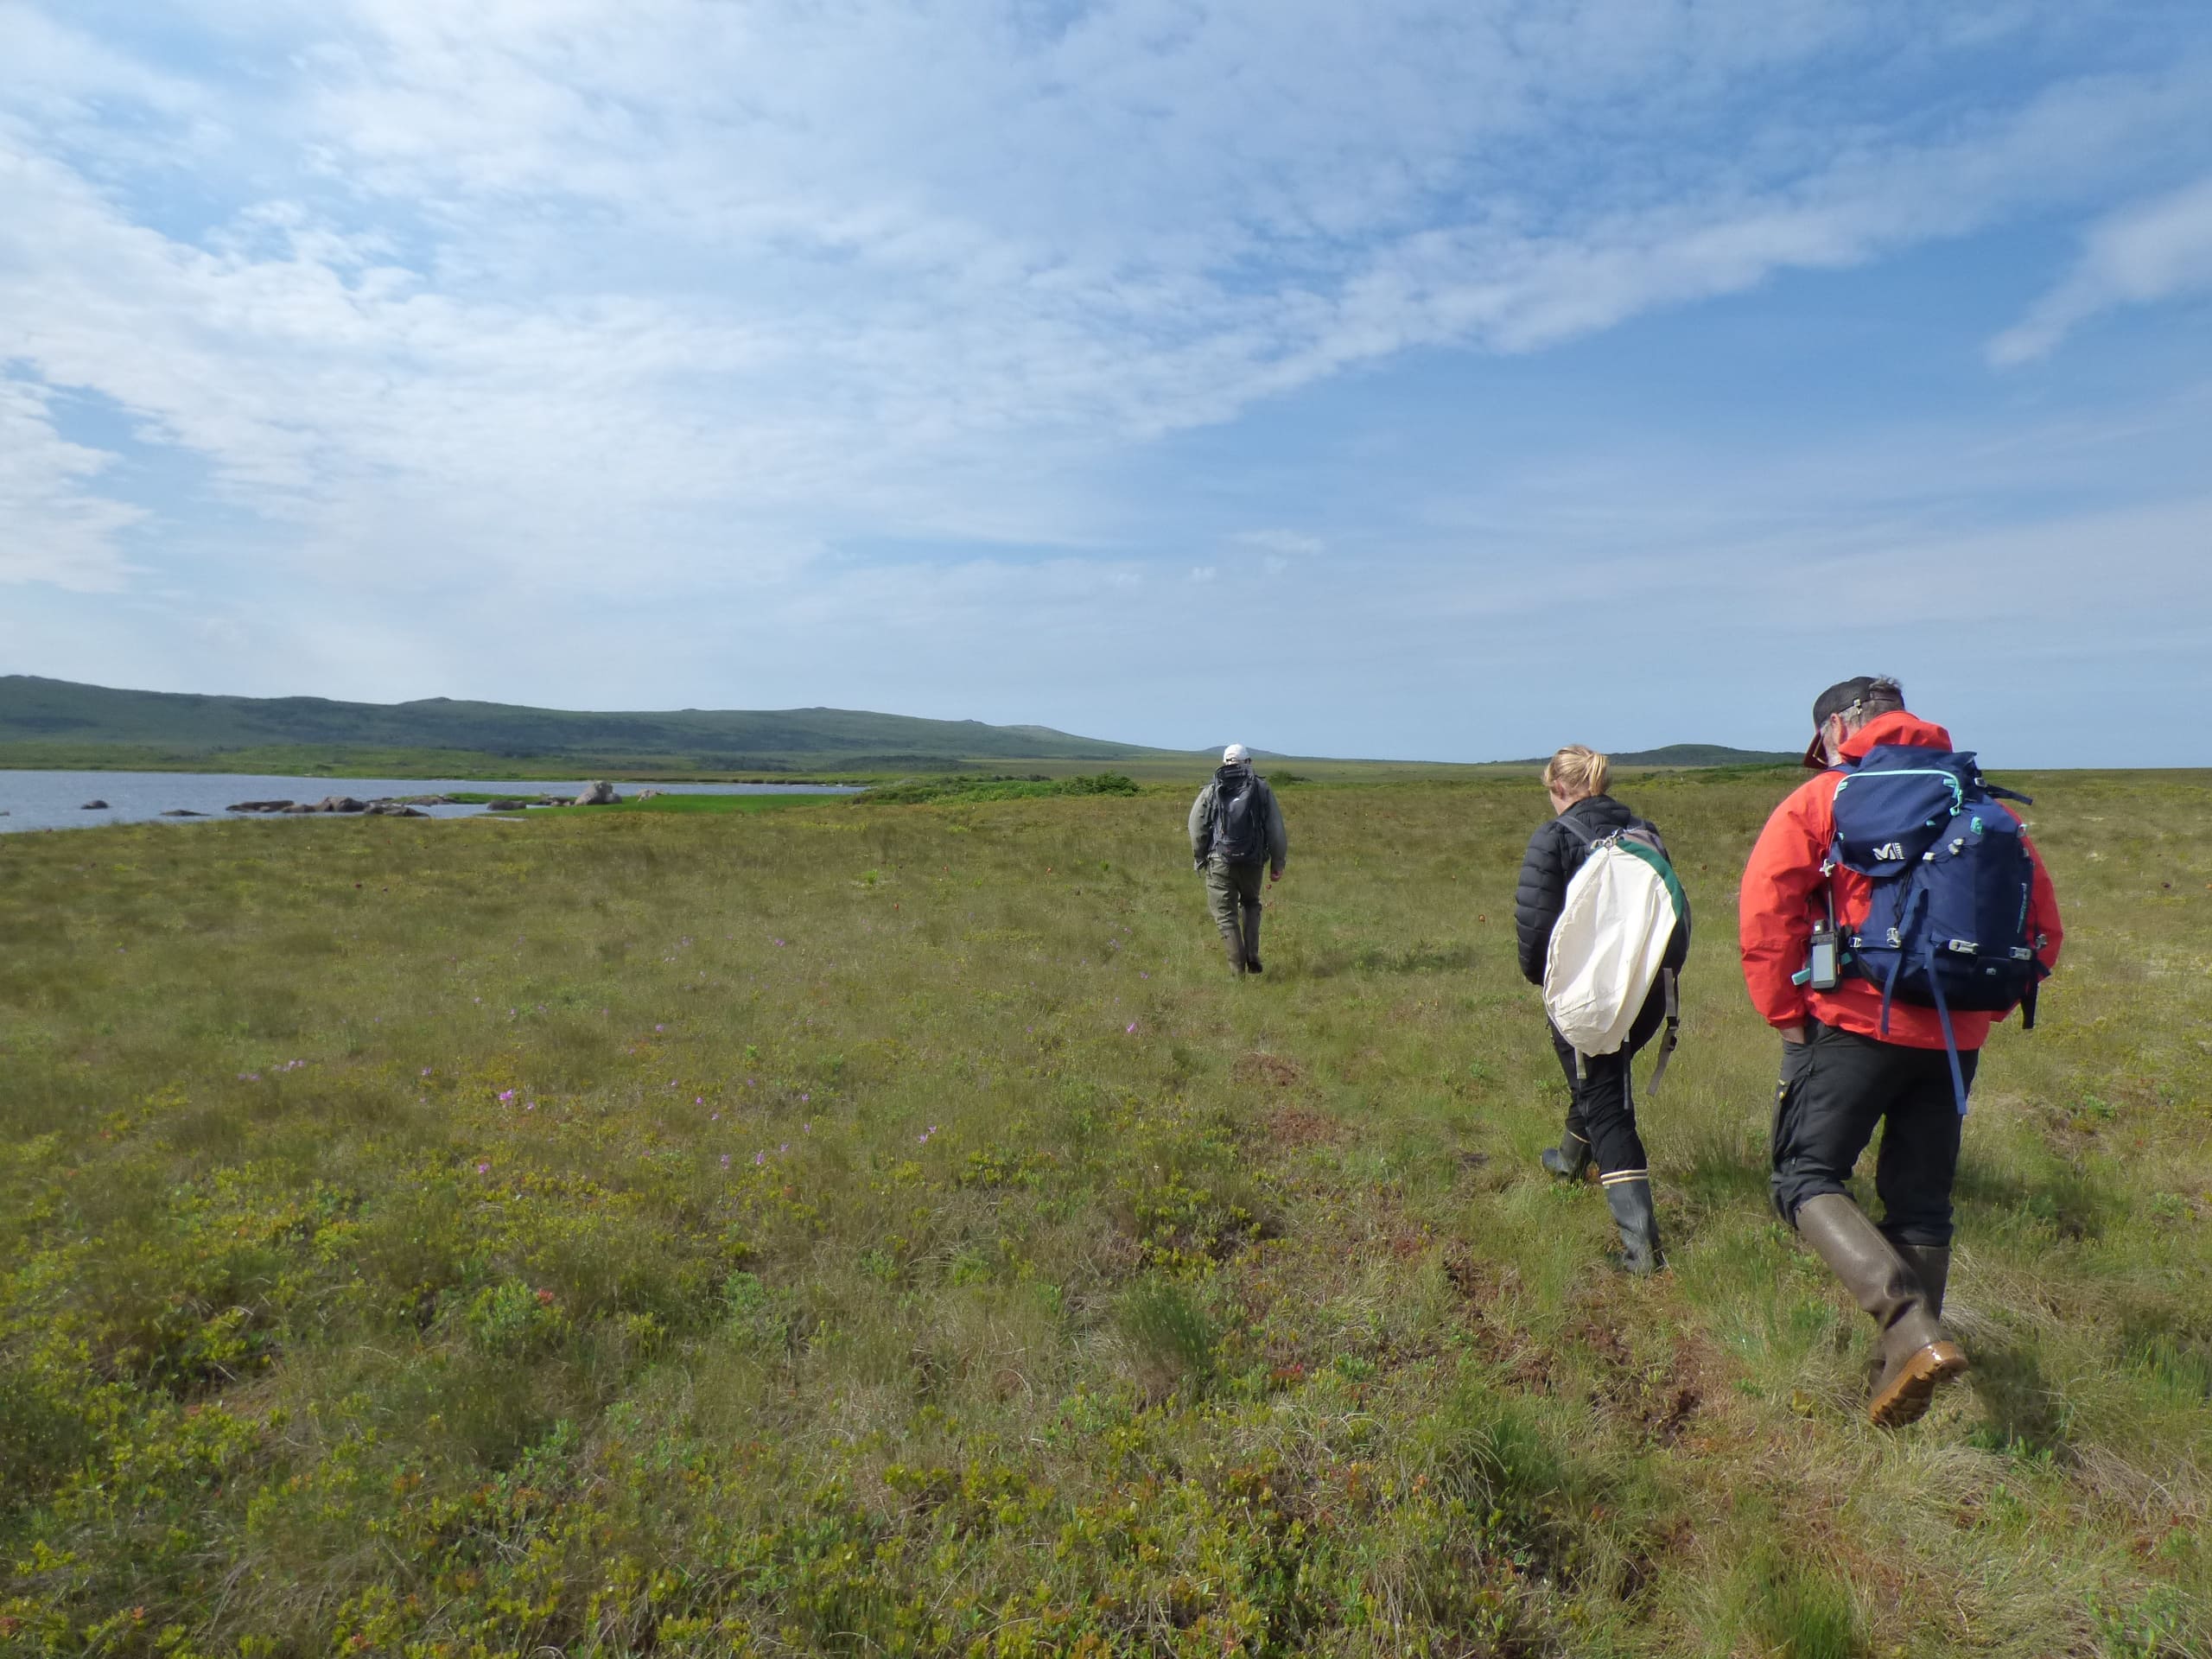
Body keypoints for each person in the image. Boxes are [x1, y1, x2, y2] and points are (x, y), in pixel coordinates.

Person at [1740, 676, 2063, 1427]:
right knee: (1921, 1203)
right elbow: (2042, 927)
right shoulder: (1981, 801)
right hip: (1955, 1039)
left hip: (1854, 1024)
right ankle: (1902, 1380)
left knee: (1802, 1175)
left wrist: (1787, 1015)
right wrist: (1983, 1009)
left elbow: (1766, 909)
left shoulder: (1825, 796)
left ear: (1840, 725)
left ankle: (1908, 1332)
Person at [1515, 745, 1688, 1273]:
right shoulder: (1644, 831)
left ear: (1558, 789)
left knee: (1606, 1102)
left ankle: (1643, 1253)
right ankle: (1569, 1160)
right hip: (1649, 992)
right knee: (1597, 1080)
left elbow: (1535, 932)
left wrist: (1547, 985)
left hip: (1589, 997)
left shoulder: (1554, 837)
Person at [1188, 743, 1287, 976]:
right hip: (1253, 860)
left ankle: (1237, 972)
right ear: (1248, 762)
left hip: (1219, 861)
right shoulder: (1262, 788)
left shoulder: (1212, 789)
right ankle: (1252, 953)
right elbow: (1276, 830)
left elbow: (1196, 826)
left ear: (1225, 762)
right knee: (1251, 903)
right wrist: (1278, 863)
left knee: (1225, 915)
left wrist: (1200, 856)